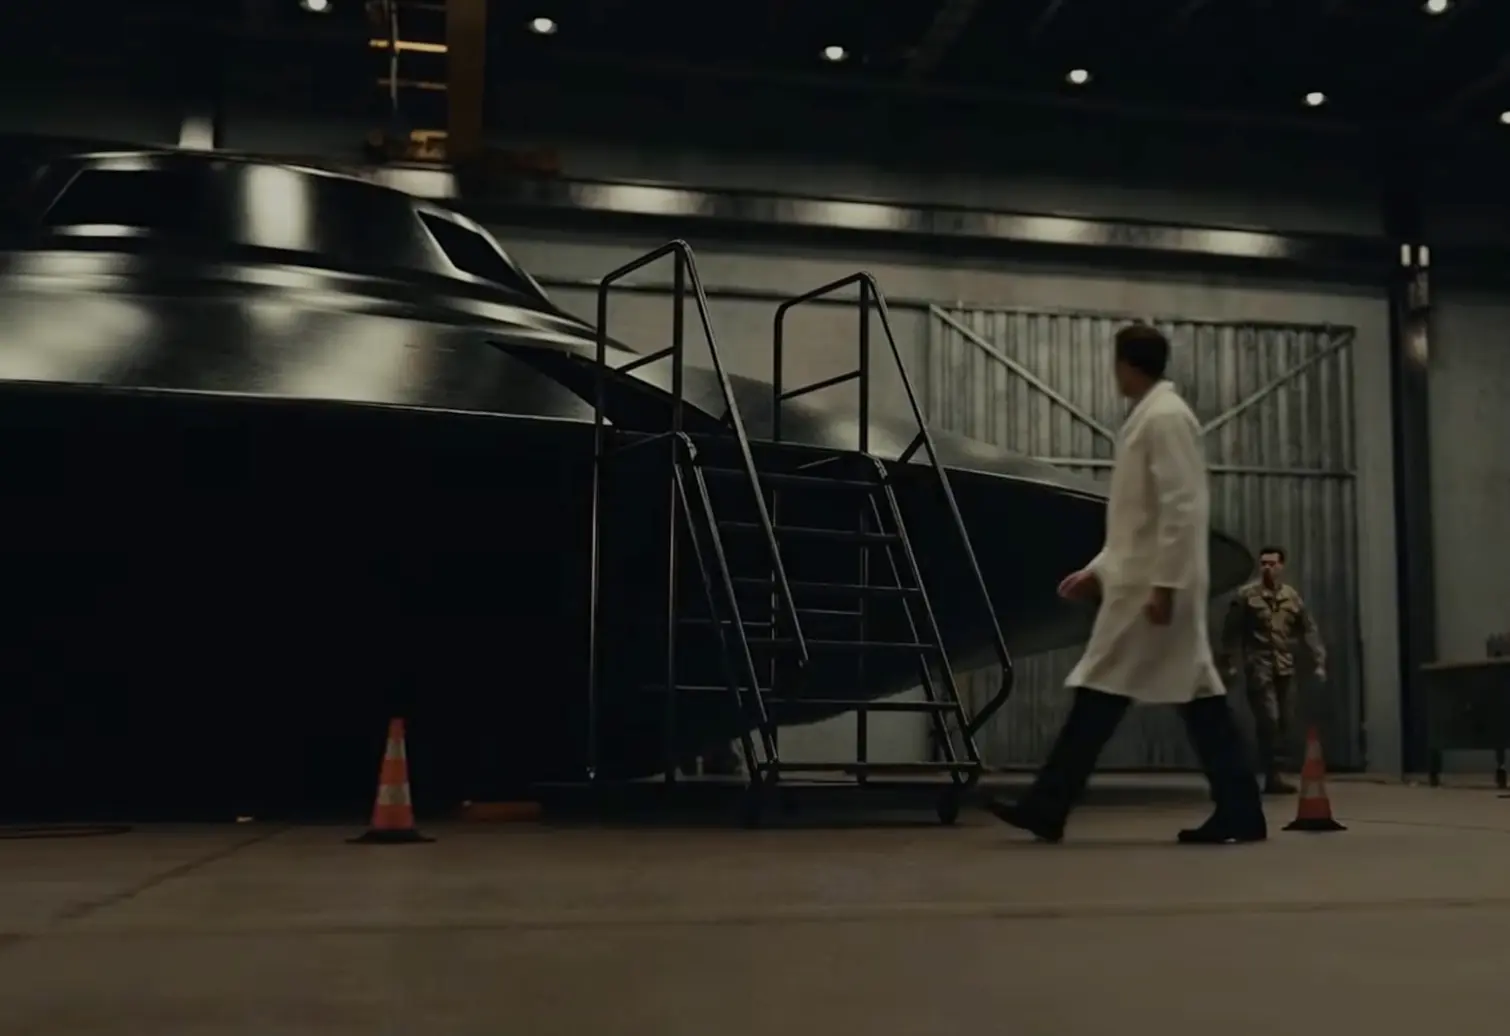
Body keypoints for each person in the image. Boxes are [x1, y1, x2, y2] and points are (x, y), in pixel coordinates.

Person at [985, 323, 1265, 845]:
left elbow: (1183, 506)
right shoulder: (1152, 416)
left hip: (1153, 590)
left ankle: (1049, 805)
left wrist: (1166, 585)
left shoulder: (1165, 418)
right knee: (1187, 697)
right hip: (1144, 583)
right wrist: (1098, 570)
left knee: (1104, 691)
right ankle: (1240, 808)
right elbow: (1138, 516)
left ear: (1126, 364)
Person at [1218, 547, 1327, 795]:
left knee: (1285, 720)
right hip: (1259, 666)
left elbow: (1308, 629)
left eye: (1272, 563)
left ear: (1281, 566)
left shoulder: (1291, 597)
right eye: (1264, 563)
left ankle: (1274, 773)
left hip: (1284, 665)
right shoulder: (1246, 596)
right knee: (1269, 719)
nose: (1267, 568)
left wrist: (1318, 661)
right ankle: (1272, 774)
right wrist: (1229, 663)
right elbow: (1230, 632)